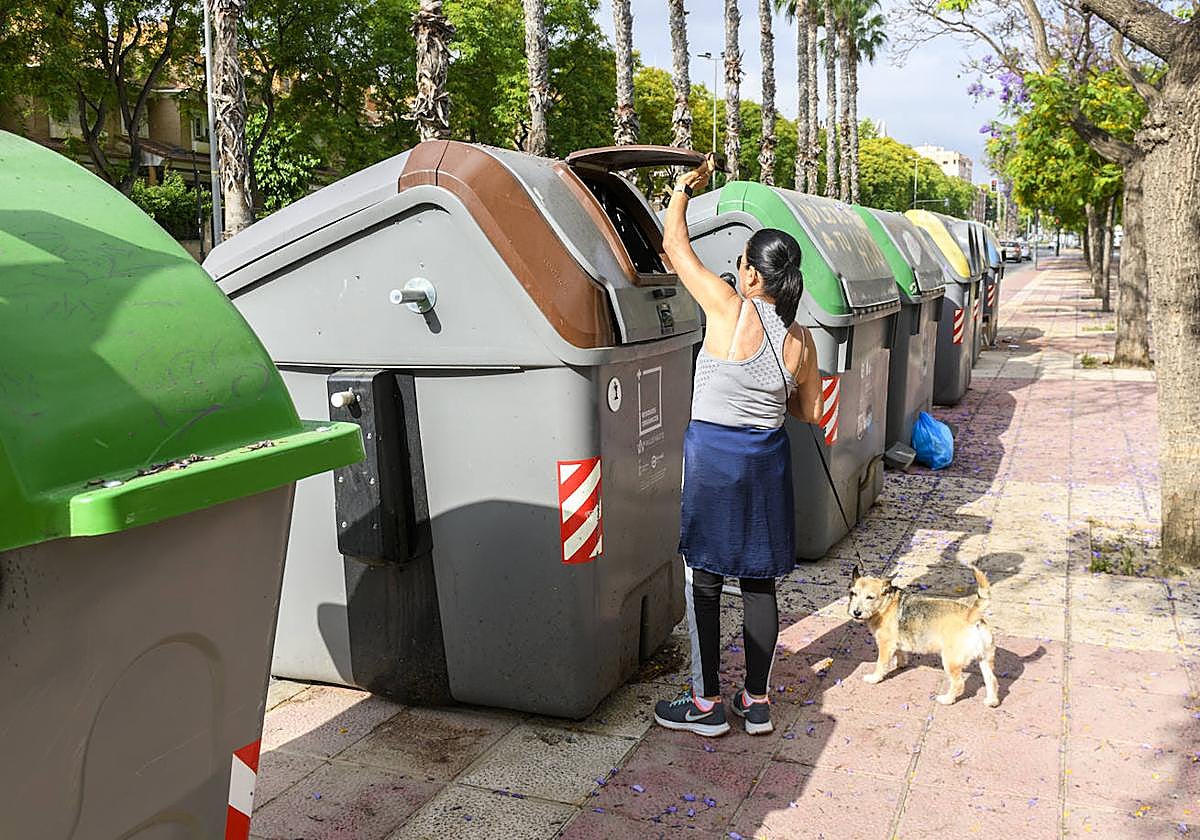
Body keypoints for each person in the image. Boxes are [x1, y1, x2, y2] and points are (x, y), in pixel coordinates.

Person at [653, 155, 824, 737]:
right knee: (758, 580)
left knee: (703, 576)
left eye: (741, 263)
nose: (736, 270)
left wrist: (682, 189)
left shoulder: (728, 310)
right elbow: (809, 414)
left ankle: (704, 706)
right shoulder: (803, 341)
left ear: (751, 276)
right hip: (766, 461)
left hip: (714, 460)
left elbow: (675, 248)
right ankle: (755, 703)